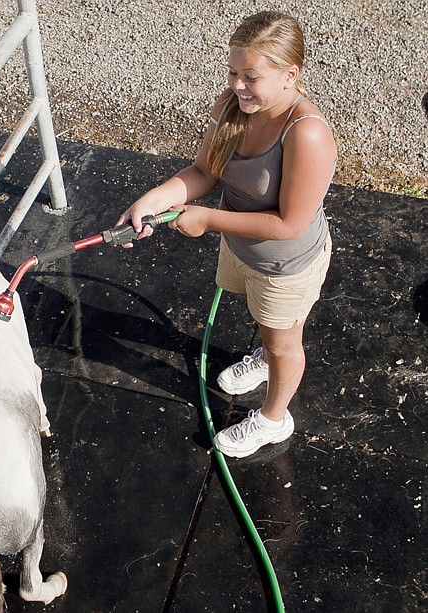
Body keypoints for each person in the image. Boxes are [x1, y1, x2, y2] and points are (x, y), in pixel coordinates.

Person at [117, 11, 337, 458]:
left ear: (289, 75)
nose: (237, 85)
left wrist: (207, 219)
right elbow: (203, 171)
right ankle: (264, 359)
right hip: (242, 248)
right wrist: (155, 199)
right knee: (269, 326)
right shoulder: (232, 106)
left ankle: (275, 419)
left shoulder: (307, 134)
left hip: (284, 264)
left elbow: (290, 224)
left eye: (251, 76)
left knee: (285, 342)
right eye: (233, 71)